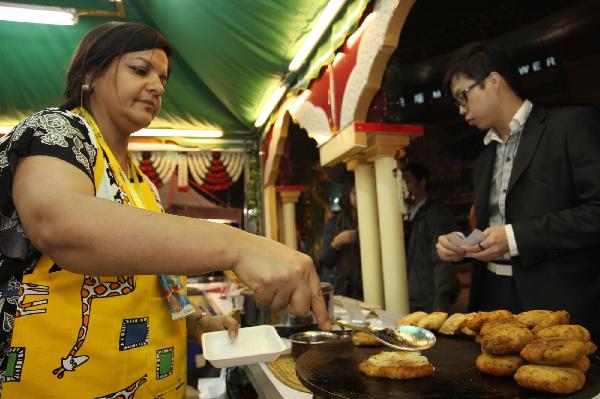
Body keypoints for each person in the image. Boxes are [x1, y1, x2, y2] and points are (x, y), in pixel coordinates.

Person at [0, 21, 330, 397]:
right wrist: (239, 245)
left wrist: (197, 322)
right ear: (91, 72)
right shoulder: (56, 132)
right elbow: (58, 224)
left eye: (162, 79)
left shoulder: (143, 185)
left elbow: (153, 281)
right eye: (140, 70)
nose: (157, 86)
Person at [435, 41, 600, 341]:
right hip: (492, 300)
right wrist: (462, 243)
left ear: (494, 81)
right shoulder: (483, 156)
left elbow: (595, 213)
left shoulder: (570, 126)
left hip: (556, 302)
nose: (461, 110)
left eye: (463, 96)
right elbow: (493, 227)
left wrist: (514, 238)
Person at [402, 163, 460, 313]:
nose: (405, 187)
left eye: (408, 181)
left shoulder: (436, 212)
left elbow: (441, 259)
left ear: (422, 183)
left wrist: (441, 299)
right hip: (413, 292)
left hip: (428, 294)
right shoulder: (408, 213)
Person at [319, 182, 362, 300]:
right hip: (344, 289)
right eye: (354, 193)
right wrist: (337, 243)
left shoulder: (375, 218)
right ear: (348, 195)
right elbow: (326, 260)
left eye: (362, 193)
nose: (359, 198)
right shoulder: (335, 222)